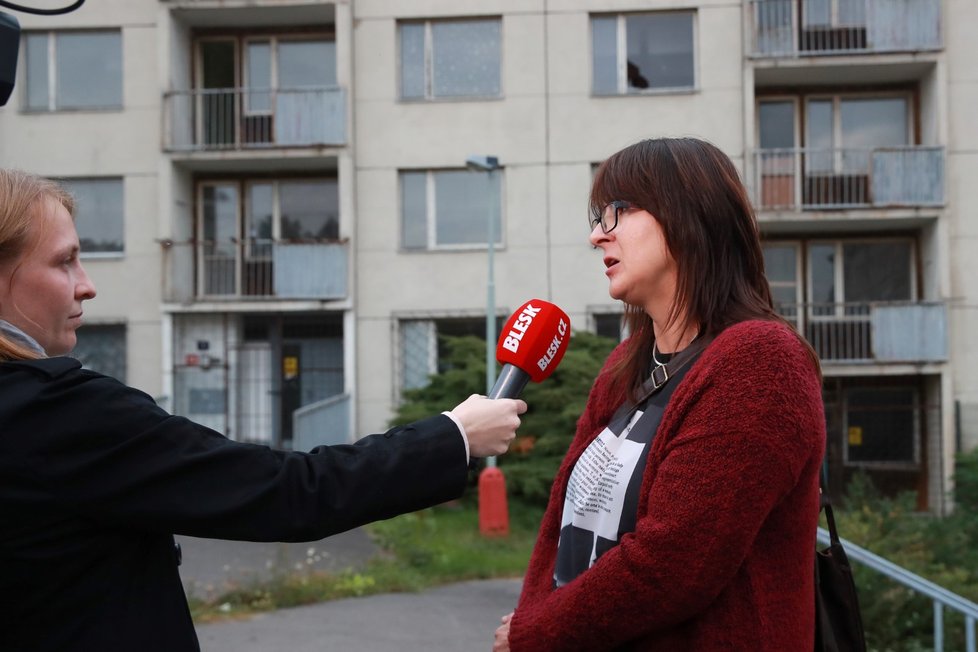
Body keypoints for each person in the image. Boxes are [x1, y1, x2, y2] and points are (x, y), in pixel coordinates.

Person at [0, 168, 527, 652]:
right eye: (64, 260)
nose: (87, 283)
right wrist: (455, 435)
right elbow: (290, 492)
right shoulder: (58, 413)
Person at [494, 138, 825, 651]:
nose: (596, 237)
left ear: (689, 214)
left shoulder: (761, 361)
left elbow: (675, 563)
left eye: (618, 212)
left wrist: (534, 634)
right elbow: (559, 531)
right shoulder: (622, 368)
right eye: (598, 217)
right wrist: (535, 619)